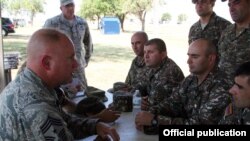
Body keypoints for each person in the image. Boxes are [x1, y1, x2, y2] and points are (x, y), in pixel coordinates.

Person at [0, 28, 119, 141]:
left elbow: (63, 123)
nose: (76, 64)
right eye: (70, 58)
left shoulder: (33, 85)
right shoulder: (38, 109)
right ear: (47, 63)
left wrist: (95, 126)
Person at [135, 39, 231, 129]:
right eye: (188, 56)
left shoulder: (222, 85)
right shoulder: (191, 79)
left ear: (211, 59)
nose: (188, 61)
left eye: (194, 57)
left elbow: (200, 125)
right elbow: (172, 103)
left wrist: (154, 120)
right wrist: (150, 113)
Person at [44, 0, 93, 94]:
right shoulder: (52, 23)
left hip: (78, 67)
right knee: (61, 95)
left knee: (82, 94)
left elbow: (88, 42)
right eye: (67, 6)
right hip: (61, 67)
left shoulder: (82, 23)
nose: (71, 8)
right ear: (61, 8)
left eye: (72, 5)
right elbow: (44, 44)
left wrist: (85, 61)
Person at [139, 38, 184, 110]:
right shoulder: (152, 66)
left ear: (163, 55)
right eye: (145, 52)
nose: (146, 56)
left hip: (168, 116)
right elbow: (140, 87)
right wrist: (142, 100)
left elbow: (155, 102)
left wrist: (144, 103)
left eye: (150, 52)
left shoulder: (170, 71)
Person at [218, 0, 250, 82]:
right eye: (229, 5)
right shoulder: (227, 32)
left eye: (236, 2)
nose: (231, 9)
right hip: (222, 90)